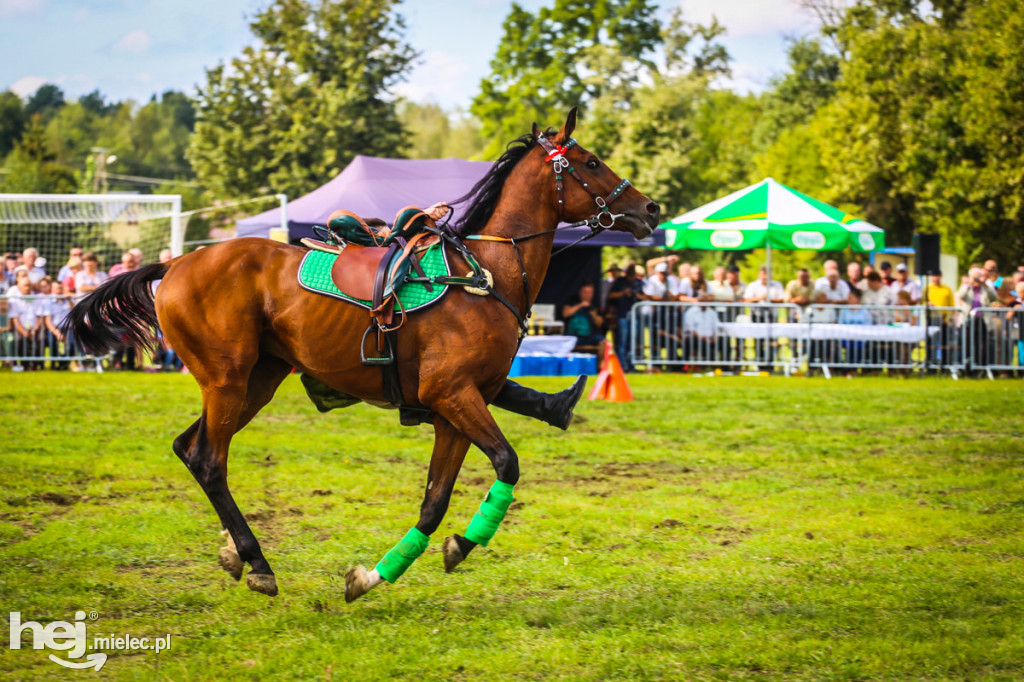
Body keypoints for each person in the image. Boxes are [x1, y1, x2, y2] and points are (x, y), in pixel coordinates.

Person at [958, 266, 998, 371]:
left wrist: (984, 284)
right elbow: (960, 295)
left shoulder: (985, 287)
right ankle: (967, 367)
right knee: (967, 344)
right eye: (974, 277)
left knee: (982, 344)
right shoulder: (966, 286)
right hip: (968, 319)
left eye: (978, 277)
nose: (976, 279)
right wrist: (969, 285)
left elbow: (994, 298)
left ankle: (982, 367)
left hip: (982, 320)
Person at [607, 265, 644, 372]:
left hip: (634, 315)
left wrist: (637, 295)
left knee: (631, 342)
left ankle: (631, 365)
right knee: (621, 342)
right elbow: (611, 295)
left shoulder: (638, 282)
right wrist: (624, 292)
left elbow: (645, 296)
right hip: (622, 315)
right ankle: (622, 366)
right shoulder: (620, 281)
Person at [7, 273, 46, 370]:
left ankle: (38, 364)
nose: (27, 288)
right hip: (20, 327)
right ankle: (24, 364)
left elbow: (40, 317)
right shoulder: (15, 300)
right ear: (19, 287)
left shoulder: (36, 299)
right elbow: (15, 318)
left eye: (29, 285)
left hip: (35, 326)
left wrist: (35, 329)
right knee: (19, 339)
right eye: (25, 286)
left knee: (41, 338)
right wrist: (23, 332)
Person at [561, 282, 605, 355]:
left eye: (590, 293)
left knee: (604, 342)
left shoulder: (595, 304)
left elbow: (600, 323)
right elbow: (565, 314)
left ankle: (600, 366)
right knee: (565, 342)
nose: (588, 295)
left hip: (590, 335)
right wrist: (580, 305)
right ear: (580, 292)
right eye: (585, 292)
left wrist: (593, 314)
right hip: (573, 334)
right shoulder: (572, 300)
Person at [924, 271, 956, 369]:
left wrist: (947, 319)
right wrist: (927, 304)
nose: (935, 278)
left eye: (937, 275)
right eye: (933, 276)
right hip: (931, 319)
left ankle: (944, 366)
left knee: (944, 343)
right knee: (930, 343)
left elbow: (951, 306)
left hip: (943, 320)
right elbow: (922, 302)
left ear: (941, 276)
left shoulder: (947, 289)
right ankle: (930, 365)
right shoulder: (927, 289)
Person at [838, 288, 872, 372]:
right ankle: (849, 368)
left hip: (860, 337)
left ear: (857, 299)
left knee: (857, 346)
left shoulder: (864, 312)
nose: (849, 300)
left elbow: (868, 324)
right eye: (848, 297)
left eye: (851, 297)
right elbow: (840, 324)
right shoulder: (844, 311)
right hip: (846, 337)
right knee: (850, 345)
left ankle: (853, 368)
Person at [683, 303, 719, 370]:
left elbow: (717, 328)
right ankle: (708, 365)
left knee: (725, 342)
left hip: (710, 338)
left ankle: (725, 366)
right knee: (698, 343)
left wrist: (714, 338)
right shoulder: (691, 312)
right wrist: (702, 338)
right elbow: (691, 329)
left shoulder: (712, 313)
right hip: (697, 338)